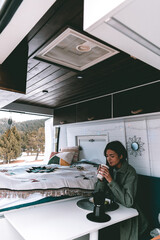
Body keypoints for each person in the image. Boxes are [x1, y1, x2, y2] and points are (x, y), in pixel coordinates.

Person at [95, 140, 148, 240]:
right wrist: (100, 180)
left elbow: (128, 202)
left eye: (112, 156)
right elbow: (97, 195)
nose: (108, 159)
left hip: (128, 214)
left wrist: (111, 180)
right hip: (112, 211)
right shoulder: (110, 169)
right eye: (107, 156)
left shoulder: (130, 172)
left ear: (121, 156)